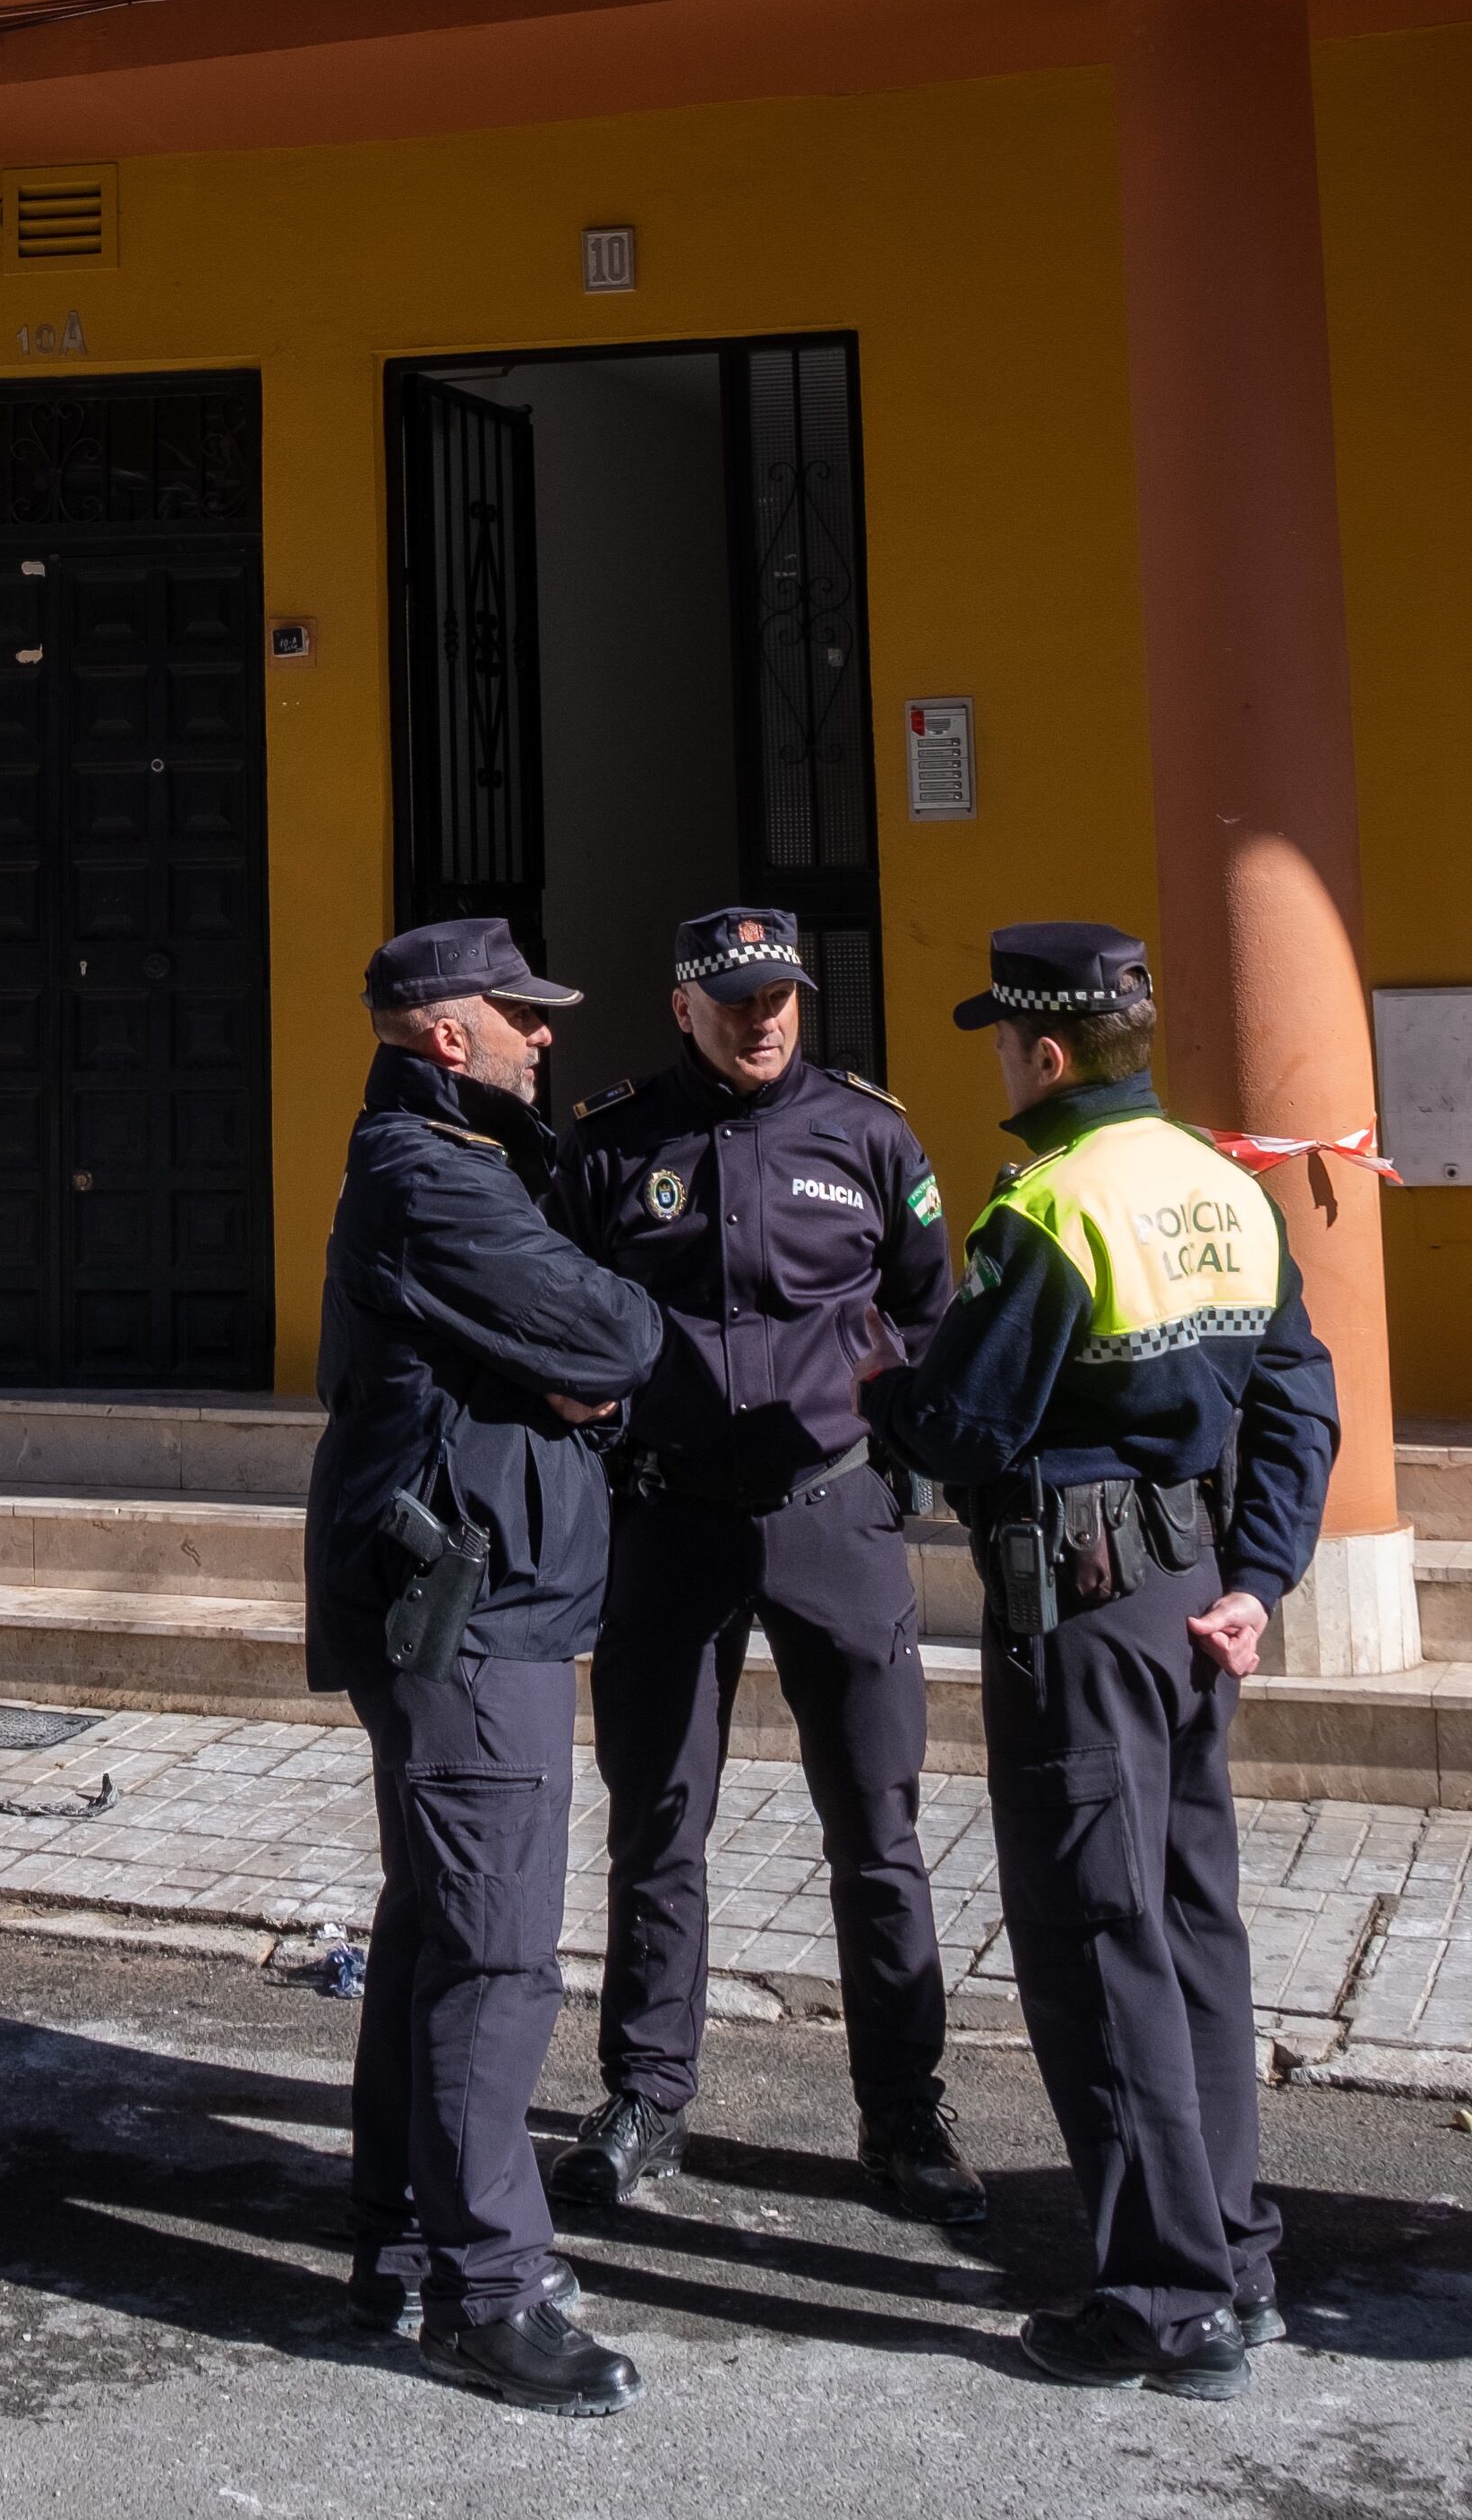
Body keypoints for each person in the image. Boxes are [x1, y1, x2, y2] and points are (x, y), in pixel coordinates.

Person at [863, 921, 1340, 2400]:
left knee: (1094, 1939)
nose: (999, 1063)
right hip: (1200, 1602)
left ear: (1046, 1053)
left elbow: (963, 1430)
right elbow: (1299, 1402)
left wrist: (886, 1384)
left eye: (1003, 1040)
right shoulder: (1224, 1188)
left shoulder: (1048, 1212)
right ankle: (1235, 2262)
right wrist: (1258, 1576)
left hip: (1079, 1614)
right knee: (1194, 1929)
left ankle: (1161, 2298)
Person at [544, 906, 984, 2233]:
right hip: (666, 1523)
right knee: (658, 1824)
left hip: (827, 1520)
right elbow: (560, 1308)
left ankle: (902, 2109)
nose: (764, 1017)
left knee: (876, 1829)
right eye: (735, 998)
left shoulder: (868, 1134)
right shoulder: (611, 1143)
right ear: (683, 1005)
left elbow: (926, 1307)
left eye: (781, 994)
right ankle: (645, 2095)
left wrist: (895, 1468)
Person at [306, 914, 667, 2417]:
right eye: (519, 1014)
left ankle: (400, 2232)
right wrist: (587, 1358)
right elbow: (612, 1329)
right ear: (446, 1032)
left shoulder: (470, 1162)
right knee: (496, 1950)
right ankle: (485, 2287)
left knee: (435, 1927)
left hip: (471, 1591)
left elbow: (575, 1350)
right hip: (464, 1606)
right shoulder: (430, 1176)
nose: (544, 1035)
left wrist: (571, 1366)